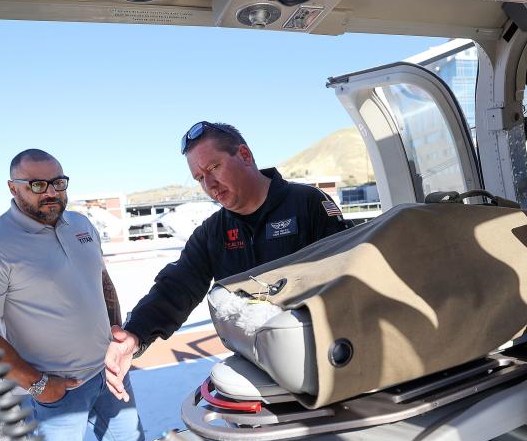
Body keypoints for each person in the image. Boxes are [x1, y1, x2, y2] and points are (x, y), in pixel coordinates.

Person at [105, 122, 349, 399]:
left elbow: (346, 277)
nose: (209, 185)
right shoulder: (213, 231)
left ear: (244, 155)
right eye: (199, 178)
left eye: (213, 168)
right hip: (256, 364)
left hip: (320, 362)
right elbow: (176, 287)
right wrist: (135, 335)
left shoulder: (307, 204)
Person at [0, 148, 143, 441]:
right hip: (56, 390)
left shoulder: (80, 224)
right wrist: (40, 385)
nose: (51, 193)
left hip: (109, 372)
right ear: (12, 187)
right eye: (37, 185)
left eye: (59, 183)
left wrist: (116, 335)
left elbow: (101, 281)